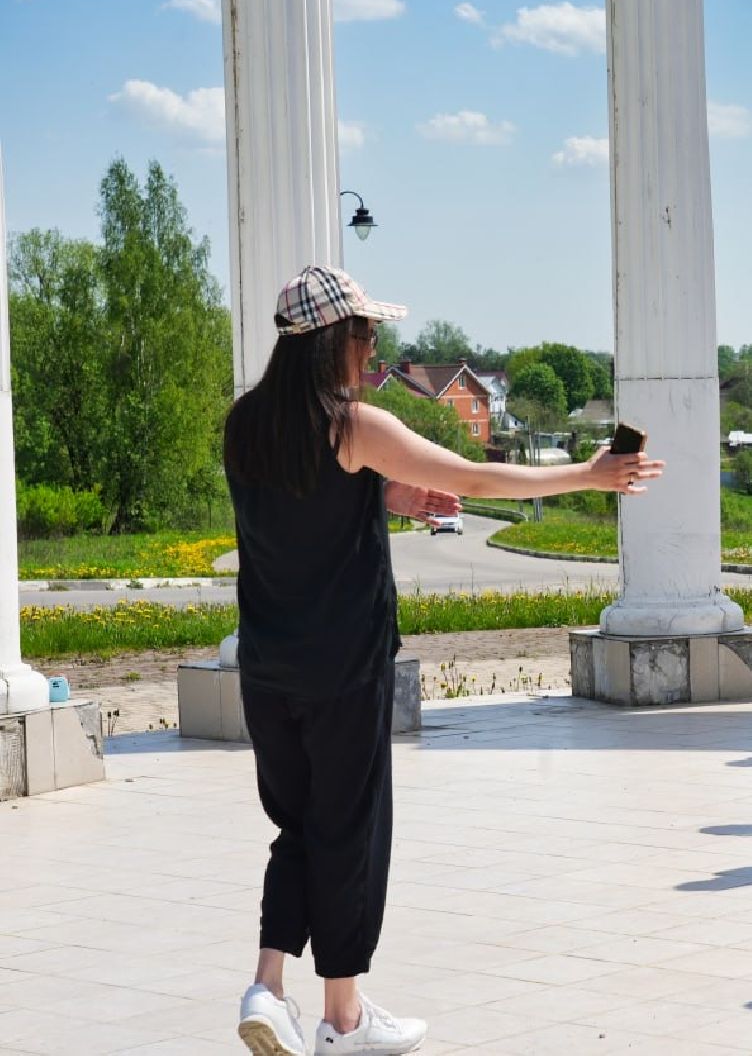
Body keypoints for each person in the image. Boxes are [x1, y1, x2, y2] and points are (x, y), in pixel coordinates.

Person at [226, 265, 662, 1055]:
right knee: (349, 831)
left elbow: (297, 499)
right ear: (336, 340)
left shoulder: (246, 423)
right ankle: (344, 1020)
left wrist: (382, 498)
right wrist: (588, 475)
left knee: (297, 825)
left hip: (266, 667)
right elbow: (473, 475)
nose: (374, 350)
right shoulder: (354, 424)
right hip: (344, 668)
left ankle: (267, 986)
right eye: (367, 335)